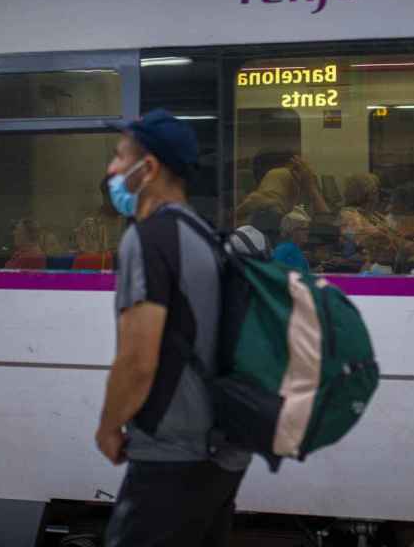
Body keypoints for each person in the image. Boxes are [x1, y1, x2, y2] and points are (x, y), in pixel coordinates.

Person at [97, 109, 250, 547]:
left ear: (149, 168)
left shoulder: (147, 239)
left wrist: (109, 426)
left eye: (118, 157)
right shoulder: (203, 234)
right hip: (221, 450)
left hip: (173, 453)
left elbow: (137, 360)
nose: (110, 169)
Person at [235, 151, 329, 226]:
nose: (302, 179)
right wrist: (311, 188)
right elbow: (327, 230)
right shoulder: (270, 217)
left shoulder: (256, 213)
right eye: (297, 171)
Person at [338, 173, 399, 270]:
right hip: (359, 265)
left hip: (381, 263)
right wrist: (386, 236)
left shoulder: (372, 214)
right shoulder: (348, 214)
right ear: (364, 194)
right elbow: (365, 239)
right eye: (375, 192)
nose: (378, 196)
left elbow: (394, 236)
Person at [273, 208, 312, 274]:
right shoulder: (285, 249)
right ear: (291, 231)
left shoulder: (293, 248)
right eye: (303, 229)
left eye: (307, 229)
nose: (307, 232)